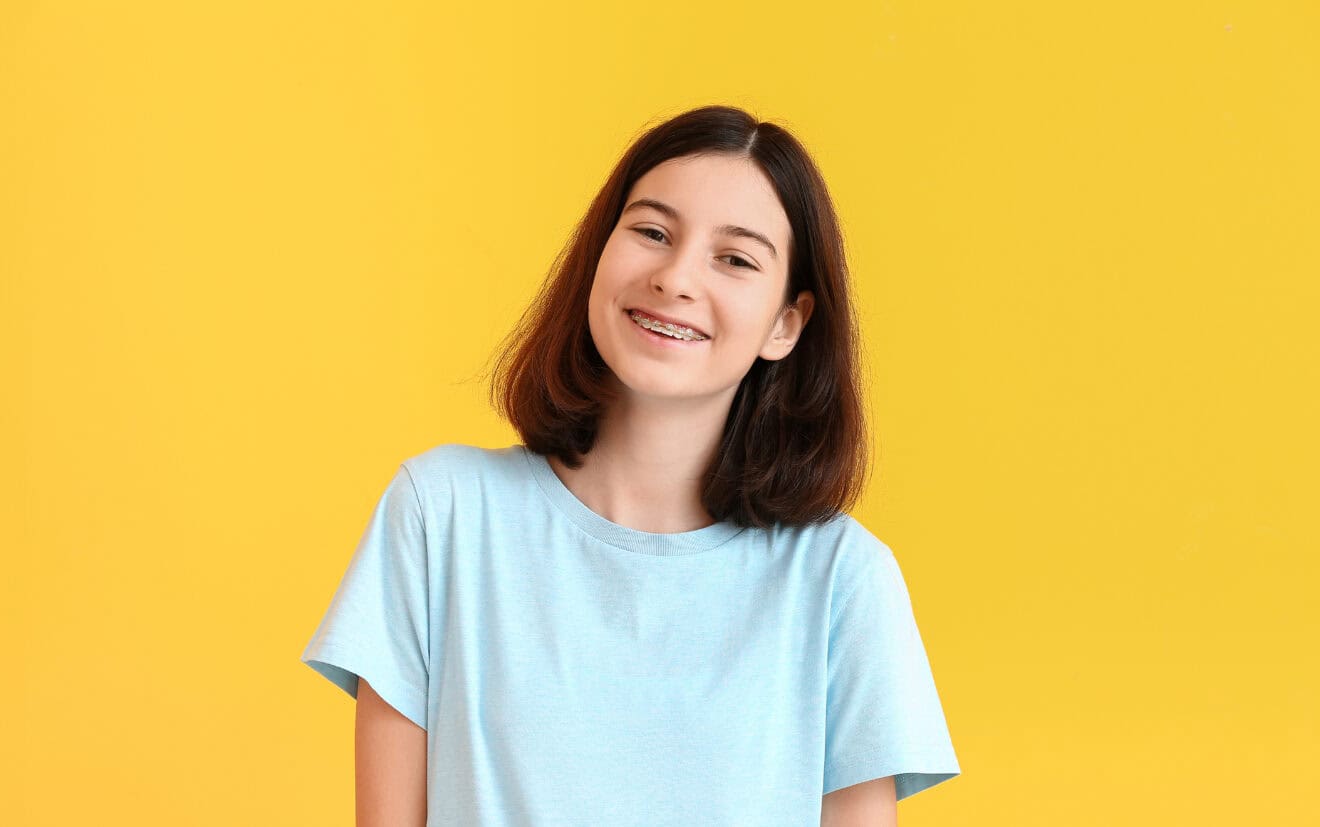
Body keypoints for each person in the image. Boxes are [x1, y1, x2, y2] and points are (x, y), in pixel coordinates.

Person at [300, 104, 961, 826]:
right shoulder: (440, 514)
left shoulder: (841, 580)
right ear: (599, 254)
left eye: (735, 258)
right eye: (651, 232)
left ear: (786, 323)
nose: (676, 278)